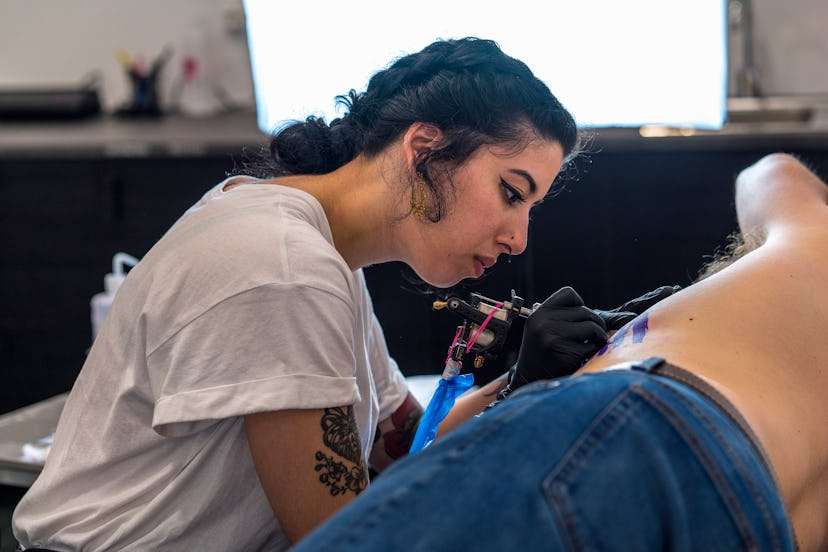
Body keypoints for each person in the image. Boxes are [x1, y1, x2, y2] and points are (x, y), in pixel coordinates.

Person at [11, 38, 674, 551]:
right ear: (425, 149)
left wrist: (523, 383)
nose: (517, 239)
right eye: (510, 192)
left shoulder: (319, 253)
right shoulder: (284, 268)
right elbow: (350, 536)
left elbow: (402, 449)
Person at [292, 153, 828, 552]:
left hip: (651, 419)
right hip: (755, 516)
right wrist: (517, 383)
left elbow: (771, 171)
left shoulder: (810, 245)